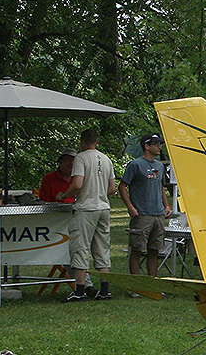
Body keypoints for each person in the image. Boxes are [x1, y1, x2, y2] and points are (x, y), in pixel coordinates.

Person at [64, 128, 116, 302]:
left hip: (86, 208)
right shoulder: (107, 159)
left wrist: (65, 195)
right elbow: (112, 189)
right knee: (102, 248)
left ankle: (79, 290)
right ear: (96, 142)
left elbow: (77, 183)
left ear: (82, 141)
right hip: (103, 207)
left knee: (81, 247)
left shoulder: (81, 157)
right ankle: (105, 289)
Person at [119, 133, 172, 277]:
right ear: (147, 146)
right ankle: (137, 285)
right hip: (142, 214)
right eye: (156, 144)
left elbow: (161, 187)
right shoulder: (136, 165)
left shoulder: (160, 166)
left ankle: (152, 282)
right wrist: (130, 207)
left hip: (158, 214)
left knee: (154, 250)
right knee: (137, 249)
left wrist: (166, 206)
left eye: (160, 144)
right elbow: (122, 186)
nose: (159, 147)